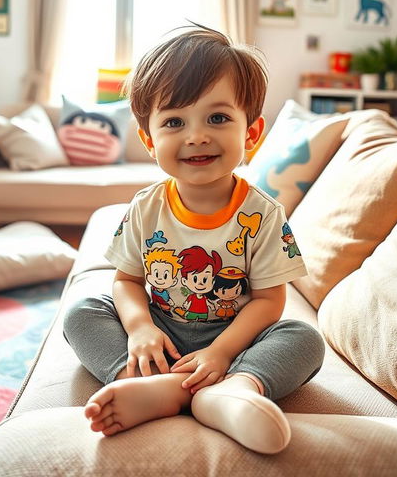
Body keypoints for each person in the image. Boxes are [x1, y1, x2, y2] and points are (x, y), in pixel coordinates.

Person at [63, 25, 325, 454]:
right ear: (150, 139)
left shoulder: (262, 215)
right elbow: (126, 282)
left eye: (218, 118)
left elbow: (268, 301)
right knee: (82, 312)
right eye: (174, 122)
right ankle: (138, 382)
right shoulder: (146, 207)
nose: (196, 135)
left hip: (235, 339)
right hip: (163, 334)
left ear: (252, 133)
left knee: (305, 339)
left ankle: (235, 388)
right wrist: (140, 328)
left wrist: (221, 354)